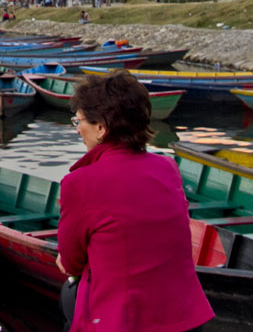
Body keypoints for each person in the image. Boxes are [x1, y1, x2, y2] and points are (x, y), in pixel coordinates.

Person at [57, 71, 214, 331]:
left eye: (79, 121)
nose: (78, 129)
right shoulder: (168, 167)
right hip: (184, 316)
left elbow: (71, 263)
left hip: (124, 322)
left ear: (101, 127)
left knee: (68, 297)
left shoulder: (80, 183)